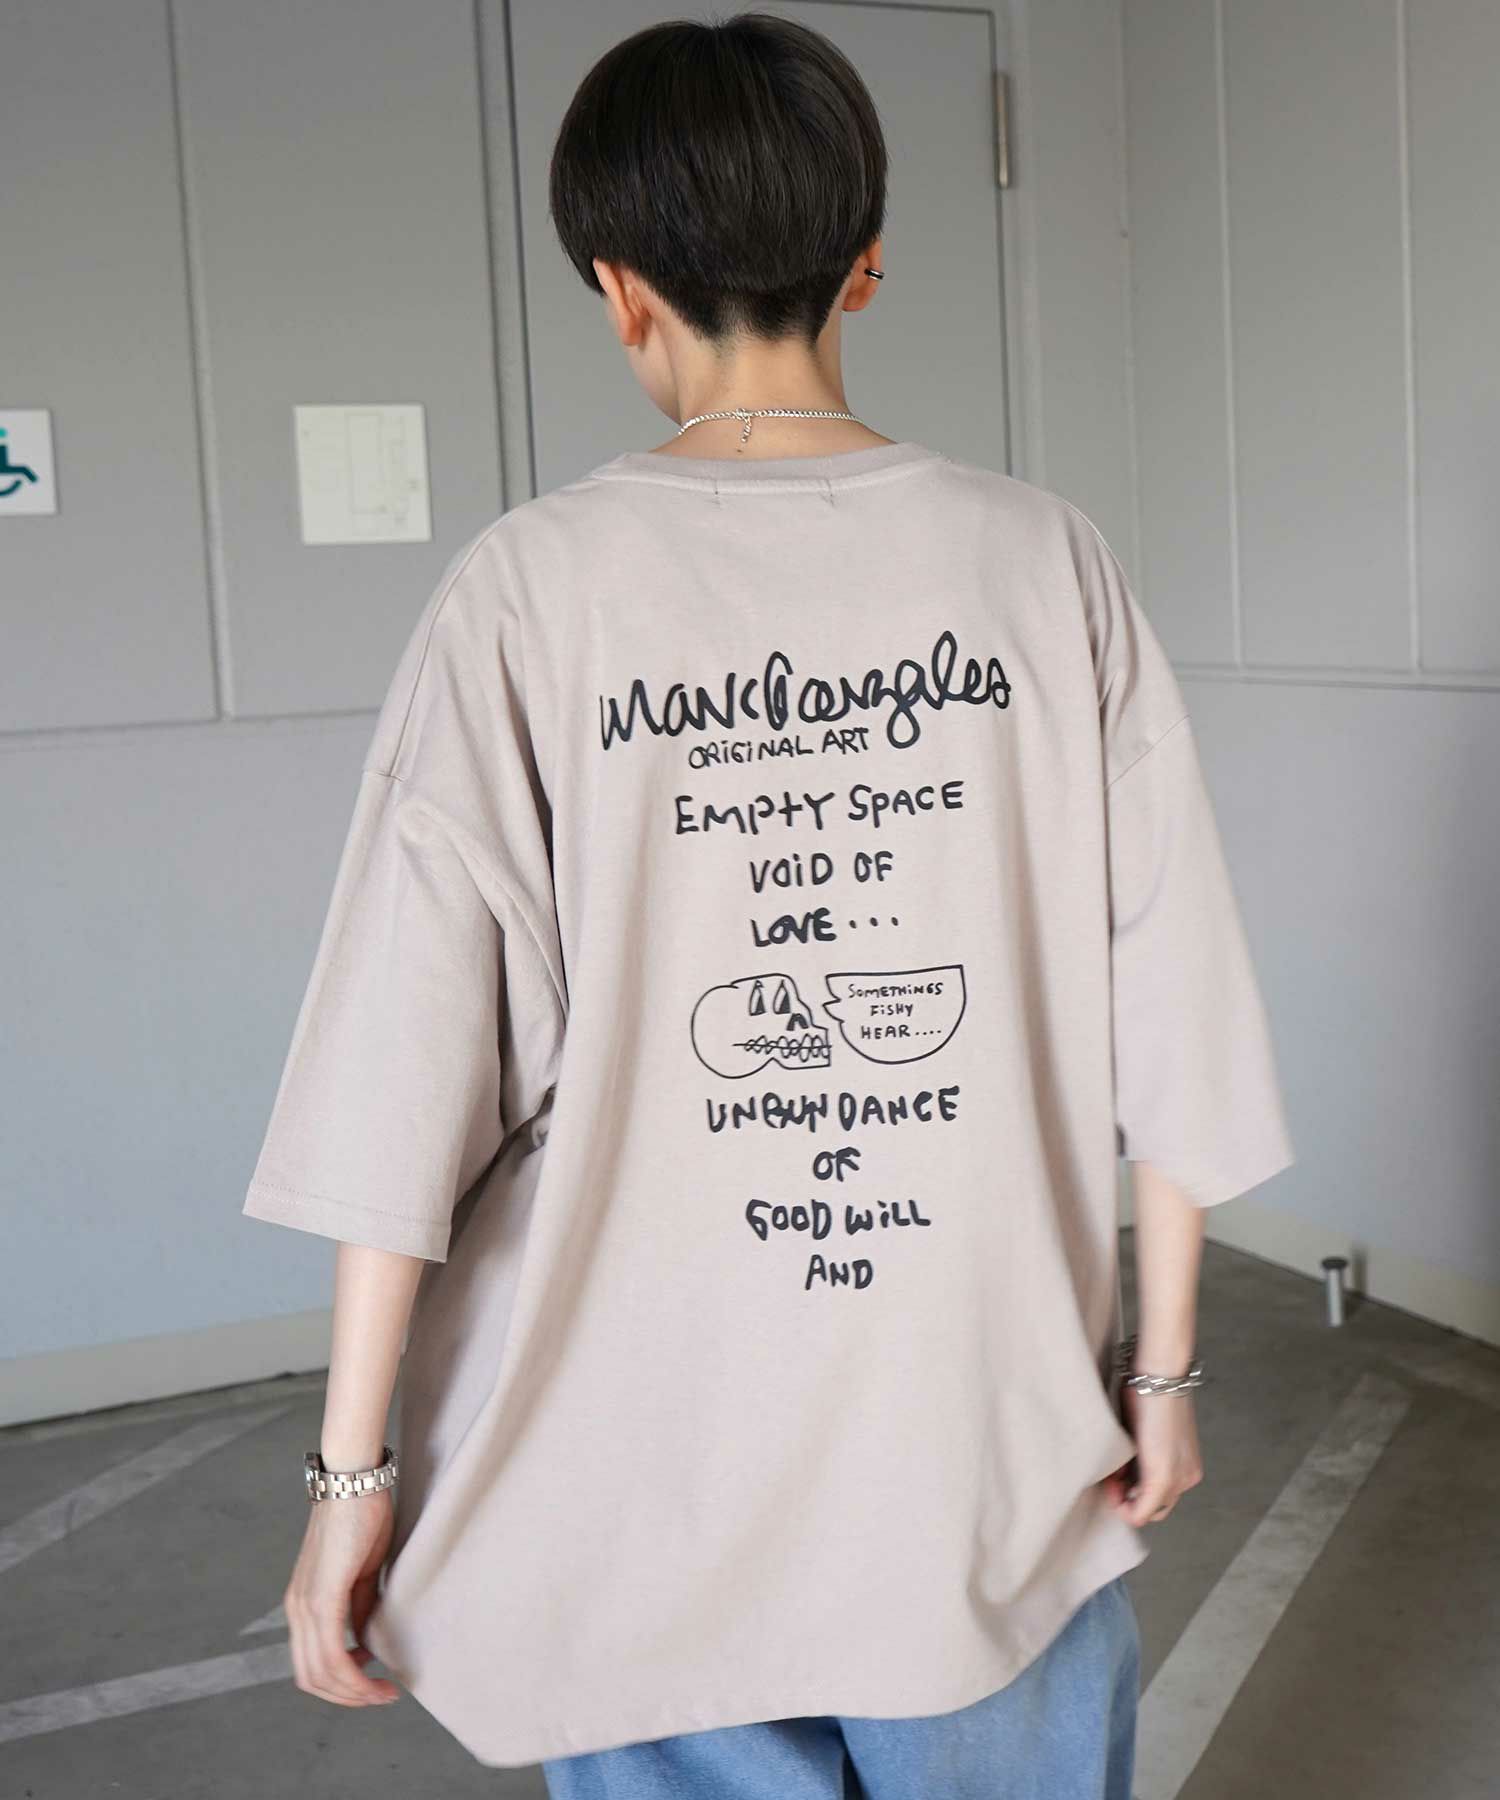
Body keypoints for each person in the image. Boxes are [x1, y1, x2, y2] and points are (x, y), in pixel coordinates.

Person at [242, 12, 1295, 1796]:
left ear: (618, 288)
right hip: (983, 1461)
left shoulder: (525, 593)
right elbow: (1173, 1004)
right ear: (864, 260)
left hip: (634, 1478)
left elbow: (398, 1077)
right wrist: (1168, 1373)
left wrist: (355, 1479)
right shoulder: (1046, 564)